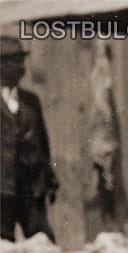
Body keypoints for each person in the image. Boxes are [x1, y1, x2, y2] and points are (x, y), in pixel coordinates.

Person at [1, 35, 59, 242]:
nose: (19, 66)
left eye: (20, 60)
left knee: (43, 242)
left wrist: (48, 179)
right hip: (2, 190)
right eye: (12, 60)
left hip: (31, 189)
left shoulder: (30, 101)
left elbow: (43, 144)